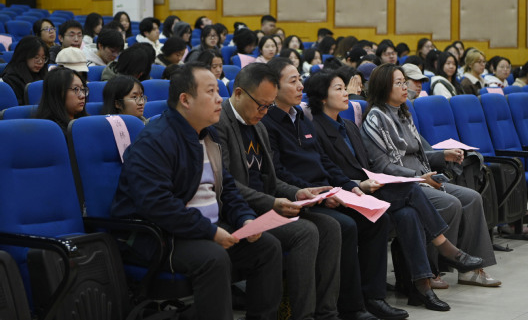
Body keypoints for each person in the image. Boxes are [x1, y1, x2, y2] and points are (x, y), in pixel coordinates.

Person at [111, 63, 282, 320]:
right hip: (162, 236)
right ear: (185, 100)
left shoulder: (209, 135)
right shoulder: (155, 140)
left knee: (267, 247)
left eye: (218, 91)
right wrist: (210, 232)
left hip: (203, 229)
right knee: (214, 258)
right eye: (211, 92)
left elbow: (227, 189)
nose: (219, 99)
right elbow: (157, 204)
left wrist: (245, 218)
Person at [306, 70, 484, 311]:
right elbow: (325, 171)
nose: (346, 92)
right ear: (321, 97)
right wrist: (359, 184)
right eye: (338, 89)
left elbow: (366, 166)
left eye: (344, 87)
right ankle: (445, 249)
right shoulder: (315, 129)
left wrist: (371, 181)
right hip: (347, 194)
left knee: (408, 214)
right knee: (411, 190)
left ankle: (420, 287)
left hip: (368, 189)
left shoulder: (348, 126)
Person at [261, 57, 407, 320]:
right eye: (293, 81)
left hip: (326, 192)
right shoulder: (267, 123)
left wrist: (349, 186)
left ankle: (373, 297)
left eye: (300, 79)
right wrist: (318, 192)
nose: (300, 86)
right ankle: (350, 306)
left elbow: (324, 161)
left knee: (377, 219)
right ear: (273, 86)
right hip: (301, 197)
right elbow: (277, 172)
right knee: (346, 226)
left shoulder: (300, 118)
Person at [215, 63, 342, 320]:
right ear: (238, 93)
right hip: (239, 212)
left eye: (269, 105)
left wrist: (298, 193)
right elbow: (226, 184)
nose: (265, 112)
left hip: (265, 205)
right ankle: (301, 316)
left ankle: (327, 313)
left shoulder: (258, 124)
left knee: (331, 227)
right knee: (305, 232)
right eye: (261, 105)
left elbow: (269, 179)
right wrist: (272, 202)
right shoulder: (220, 124)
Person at [360, 63, 501, 288]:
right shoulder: (375, 119)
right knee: (450, 203)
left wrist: (442, 155)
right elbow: (382, 166)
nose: (405, 87)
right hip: (404, 185)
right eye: (398, 83)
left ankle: (470, 270)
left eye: (404, 82)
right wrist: (417, 178)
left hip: (423, 179)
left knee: (472, 198)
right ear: (383, 87)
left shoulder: (403, 114)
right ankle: (431, 270)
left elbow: (417, 153)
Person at [0, 36, 49, 105]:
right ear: (24, 56)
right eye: (36, 57)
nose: (40, 62)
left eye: (43, 58)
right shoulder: (11, 79)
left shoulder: (42, 73)